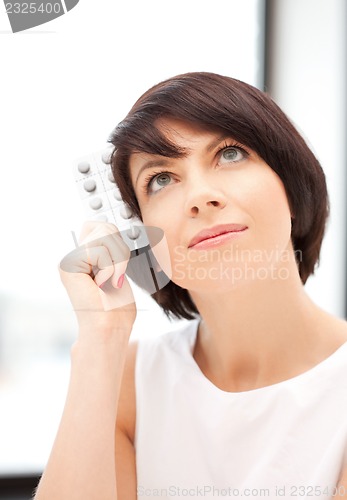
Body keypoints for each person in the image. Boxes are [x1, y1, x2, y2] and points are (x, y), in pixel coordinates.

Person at [34, 72, 347, 500]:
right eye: (160, 179)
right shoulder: (129, 382)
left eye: (230, 153)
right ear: (141, 234)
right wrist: (101, 338)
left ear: (290, 187)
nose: (200, 196)